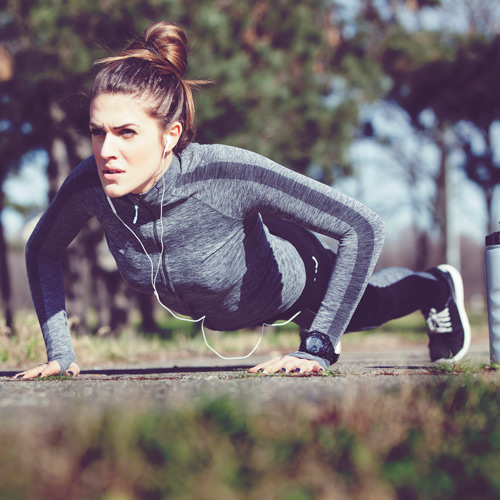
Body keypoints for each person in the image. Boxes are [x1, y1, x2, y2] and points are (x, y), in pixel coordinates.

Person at [14, 21, 470, 379]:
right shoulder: (91, 185)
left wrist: (318, 347)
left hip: (298, 278)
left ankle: (436, 288)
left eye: (126, 132)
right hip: (238, 308)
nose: (106, 150)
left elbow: (363, 226)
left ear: (170, 135)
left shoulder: (224, 173)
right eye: (98, 132)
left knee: (369, 308)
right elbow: (43, 249)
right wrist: (59, 352)